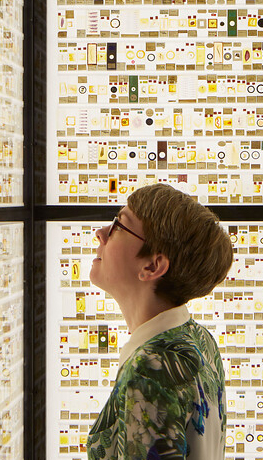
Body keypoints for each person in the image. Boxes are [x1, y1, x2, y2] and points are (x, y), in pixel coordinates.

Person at [87, 183, 234, 460]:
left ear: (152, 266)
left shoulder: (150, 368)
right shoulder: (199, 339)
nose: (102, 233)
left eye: (119, 225)